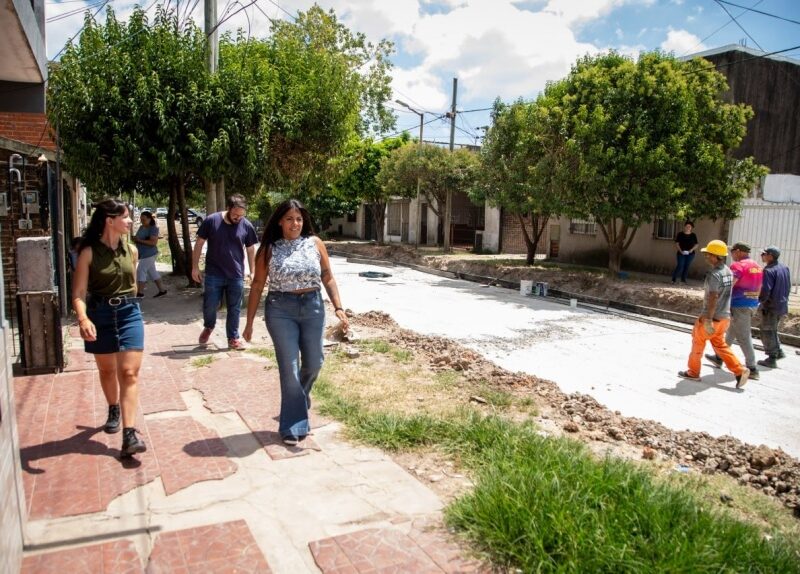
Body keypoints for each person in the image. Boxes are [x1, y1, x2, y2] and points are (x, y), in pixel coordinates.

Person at [242, 199, 348, 445]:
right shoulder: (269, 248)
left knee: (314, 362)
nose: (295, 223)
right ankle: (292, 425)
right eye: (289, 218)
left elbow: (328, 277)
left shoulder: (315, 243)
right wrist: (248, 323)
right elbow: (257, 285)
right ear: (280, 221)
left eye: (298, 219)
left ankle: (298, 400)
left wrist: (339, 307)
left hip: (313, 307)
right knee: (289, 368)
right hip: (281, 310)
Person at [71, 199, 147, 457]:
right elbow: (79, 292)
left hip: (129, 312)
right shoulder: (89, 252)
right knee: (107, 370)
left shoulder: (133, 250)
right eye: (125, 217)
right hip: (99, 314)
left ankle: (129, 434)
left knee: (128, 373)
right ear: (109, 220)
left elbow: (134, 284)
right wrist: (83, 319)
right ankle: (113, 406)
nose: (129, 221)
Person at [678, 240, 750, 389]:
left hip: (712, 317)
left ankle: (693, 372)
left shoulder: (714, 275)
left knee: (698, 343)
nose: (706, 257)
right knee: (720, 345)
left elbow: (713, 296)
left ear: (716, 256)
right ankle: (739, 370)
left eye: (709, 254)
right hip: (724, 317)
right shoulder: (728, 271)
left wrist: (708, 319)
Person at [192, 194, 258, 350]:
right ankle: (209, 326)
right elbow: (199, 243)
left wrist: (252, 271)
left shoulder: (246, 225)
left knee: (235, 307)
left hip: (236, 275)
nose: (238, 218)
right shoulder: (211, 221)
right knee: (210, 305)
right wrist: (194, 267)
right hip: (214, 273)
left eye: (241, 215)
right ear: (228, 208)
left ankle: (233, 338)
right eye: (235, 214)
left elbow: (250, 250)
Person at [705, 242, 763, 380]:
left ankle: (752, 368)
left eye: (732, 252)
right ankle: (719, 357)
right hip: (752, 303)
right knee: (731, 331)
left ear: (738, 251)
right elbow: (759, 287)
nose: (731, 255)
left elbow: (729, 285)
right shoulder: (757, 266)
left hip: (738, 305)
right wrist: (753, 300)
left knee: (744, 336)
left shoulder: (737, 266)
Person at [757, 245, 791, 369]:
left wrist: (760, 301)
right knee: (773, 329)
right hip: (781, 304)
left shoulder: (768, 270)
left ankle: (772, 357)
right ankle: (779, 351)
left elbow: (766, 289)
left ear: (770, 256)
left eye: (764, 254)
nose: (762, 256)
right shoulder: (784, 268)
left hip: (771, 306)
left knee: (767, 331)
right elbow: (788, 286)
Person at [133, 210, 167, 298]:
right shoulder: (141, 227)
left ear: (149, 219)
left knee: (141, 271)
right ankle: (162, 290)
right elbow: (138, 237)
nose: (142, 221)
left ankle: (140, 293)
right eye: (141, 219)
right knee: (152, 272)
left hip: (149, 253)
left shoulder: (153, 228)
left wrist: (139, 240)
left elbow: (153, 243)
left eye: (144, 220)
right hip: (143, 253)